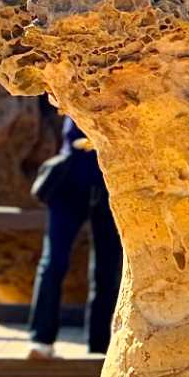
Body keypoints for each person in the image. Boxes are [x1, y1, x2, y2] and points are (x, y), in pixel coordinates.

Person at [27, 115, 123, 357]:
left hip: (110, 182)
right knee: (53, 262)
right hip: (70, 180)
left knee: (106, 270)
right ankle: (41, 340)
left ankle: (99, 348)